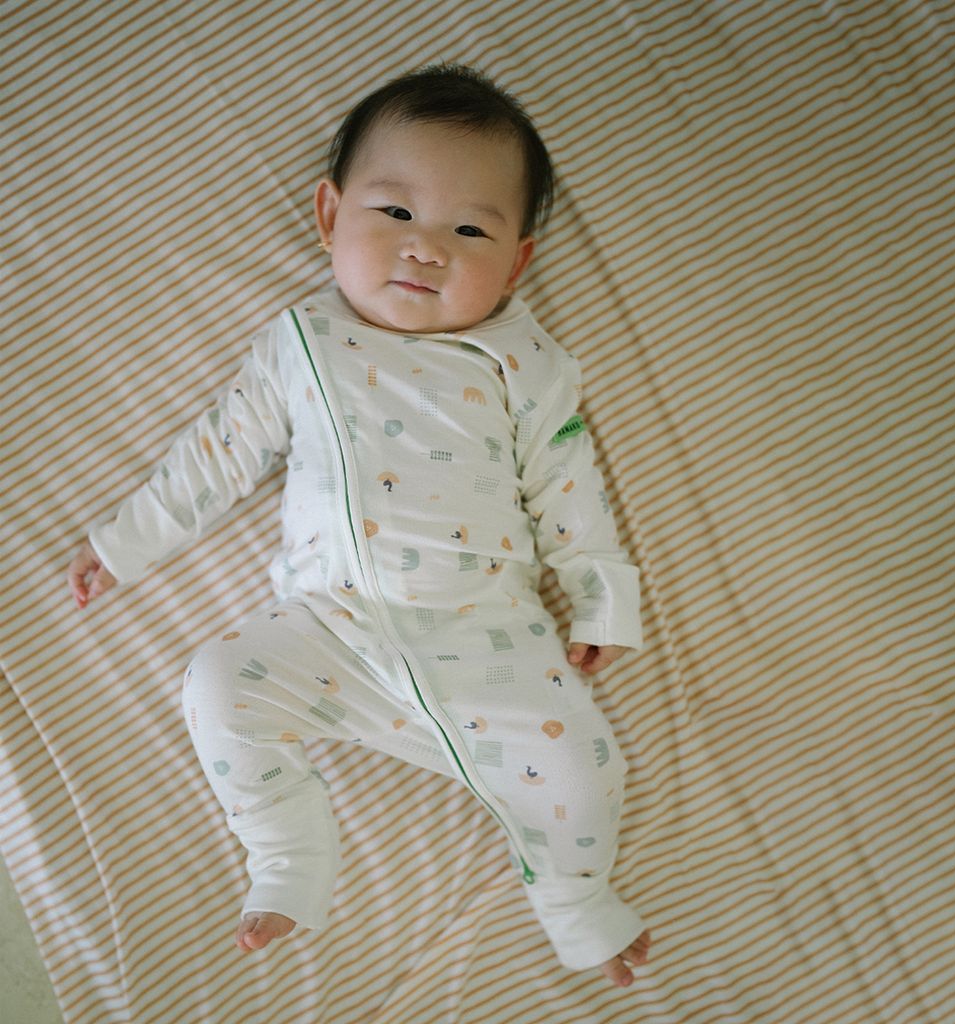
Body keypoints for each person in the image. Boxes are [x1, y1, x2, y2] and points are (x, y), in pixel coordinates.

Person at [67, 63, 652, 987]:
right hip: (329, 626)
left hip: (487, 635)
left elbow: (568, 488)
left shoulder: (526, 365)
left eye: (470, 231)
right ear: (330, 214)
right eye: (396, 213)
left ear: (517, 263)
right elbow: (220, 452)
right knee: (216, 685)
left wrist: (602, 598)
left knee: (586, 769)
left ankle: (574, 897)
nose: (426, 249)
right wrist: (124, 541)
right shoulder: (303, 343)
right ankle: (288, 855)